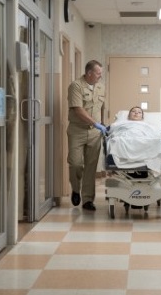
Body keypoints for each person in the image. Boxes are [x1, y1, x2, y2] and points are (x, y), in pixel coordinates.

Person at [67, 60, 106, 211]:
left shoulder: (101, 87)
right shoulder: (76, 86)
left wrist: (102, 123)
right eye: (98, 73)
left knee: (91, 167)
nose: (100, 76)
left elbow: (101, 106)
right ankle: (76, 189)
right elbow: (78, 109)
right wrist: (95, 123)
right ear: (89, 73)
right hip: (77, 130)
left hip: (95, 134)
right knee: (76, 164)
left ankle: (88, 199)